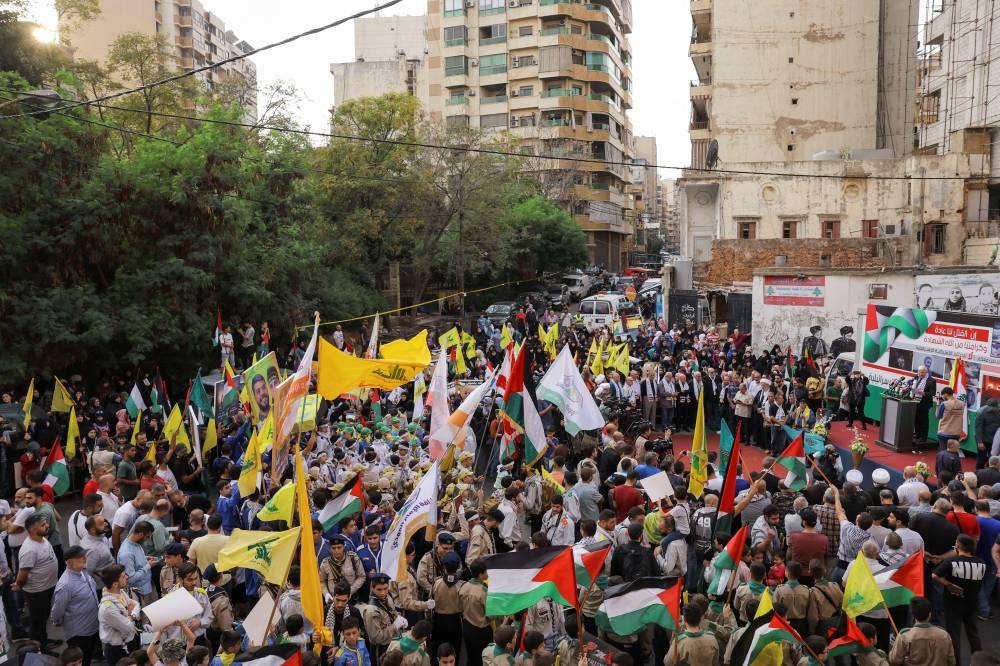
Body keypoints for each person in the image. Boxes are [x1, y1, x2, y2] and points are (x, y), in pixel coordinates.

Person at [932, 533, 985, 664]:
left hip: (953, 603)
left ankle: (956, 663)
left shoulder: (952, 561)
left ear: (958, 546)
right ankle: (979, 661)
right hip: (972, 602)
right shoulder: (981, 563)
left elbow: (934, 575)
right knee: (973, 633)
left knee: (954, 635)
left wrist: (949, 584)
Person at [13, 512, 59, 647]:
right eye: (43, 525)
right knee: (37, 621)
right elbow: (22, 575)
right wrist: (18, 585)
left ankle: (43, 640)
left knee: (43, 618)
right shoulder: (29, 549)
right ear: (33, 529)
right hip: (37, 592)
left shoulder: (42, 538)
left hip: (47, 587)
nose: (47, 526)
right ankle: (38, 649)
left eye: (46, 523)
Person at [50, 546, 100, 666]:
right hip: (79, 633)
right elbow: (57, 611)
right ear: (69, 562)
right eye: (80, 557)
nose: (84, 559)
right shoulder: (65, 584)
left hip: (92, 626)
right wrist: (57, 621)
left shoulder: (83, 571)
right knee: (81, 662)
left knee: (88, 657)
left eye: (84, 556)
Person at [888, 596, 955, 666]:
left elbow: (894, 660)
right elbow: (951, 661)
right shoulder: (944, 635)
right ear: (930, 614)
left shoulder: (905, 635)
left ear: (913, 615)